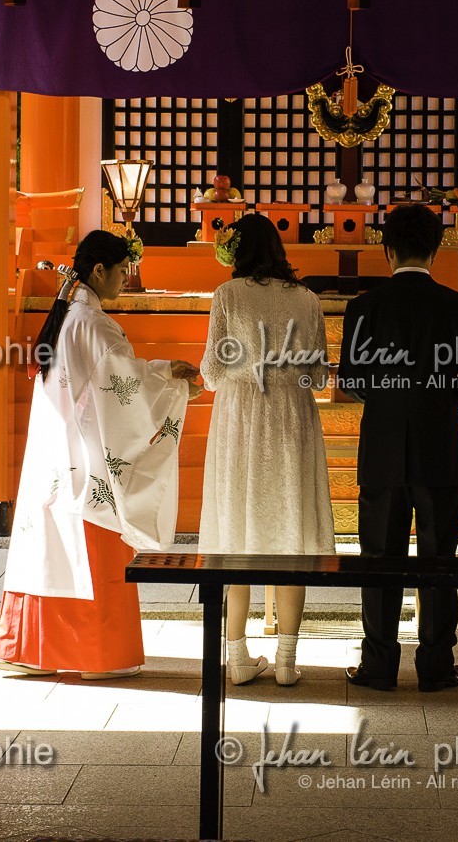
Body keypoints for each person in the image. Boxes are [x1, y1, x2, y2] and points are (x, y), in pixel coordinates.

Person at [0, 230, 203, 679]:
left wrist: (164, 371)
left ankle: (33, 649)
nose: (126, 279)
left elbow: (115, 380)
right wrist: (174, 385)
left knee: (48, 548)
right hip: (85, 458)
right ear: (99, 270)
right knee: (95, 549)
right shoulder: (95, 324)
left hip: (57, 452)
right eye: (122, 270)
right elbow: (124, 390)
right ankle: (96, 653)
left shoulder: (71, 318)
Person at [336, 203, 458, 692]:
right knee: (439, 557)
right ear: (437, 249)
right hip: (440, 447)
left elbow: (354, 380)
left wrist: (388, 399)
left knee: (379, 556)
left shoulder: (364, 307)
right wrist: (440, 401)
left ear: (387, 250)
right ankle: (436, 665)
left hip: (381, 448)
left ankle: (379, 665)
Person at [198, 214, 335, 686]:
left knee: (237, 533)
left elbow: (211, 372)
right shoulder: (308, 299)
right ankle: (286, 662)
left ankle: (236, 657)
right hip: (290, 419)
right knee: (290, 534)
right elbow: (319, 377)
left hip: (240, 421)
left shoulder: (228, 295)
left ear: (238, 252)